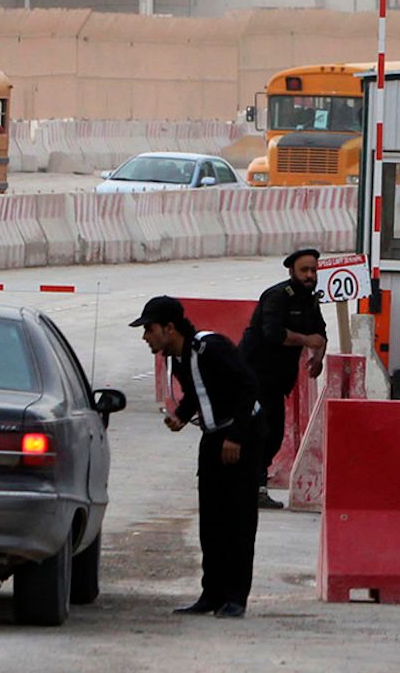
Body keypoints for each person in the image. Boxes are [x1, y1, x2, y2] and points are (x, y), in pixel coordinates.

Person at [132, 294, 263, 619]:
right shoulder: (179, 359)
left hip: (243, 434)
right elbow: (198, 392)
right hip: (214, 436)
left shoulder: (211, 347)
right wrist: (181, 415)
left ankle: (236, 598)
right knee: (212, 520)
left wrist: (235, 437)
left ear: (169, 327)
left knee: (239, 520)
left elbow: (248, 386)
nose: (145, 337)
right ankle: (212, 594)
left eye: (149, 329)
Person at [240, 248, 330, 511]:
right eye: (305, 270)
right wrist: (305, 341)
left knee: (274, 435)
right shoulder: (277, 297)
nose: (310, 275)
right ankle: (253, 488)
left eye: (314, 270)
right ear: (292, 272)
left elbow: (320, 332)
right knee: (259, 433)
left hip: (277, 380)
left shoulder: (309, 300)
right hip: (254, 374)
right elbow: (272, 333)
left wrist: (318, 356)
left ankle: (254, 485)